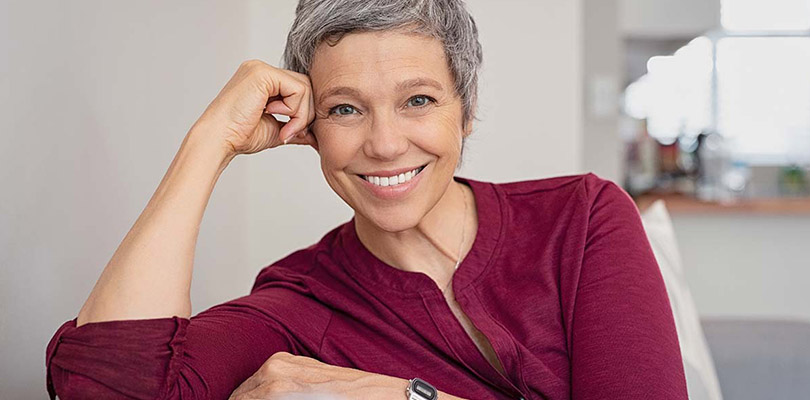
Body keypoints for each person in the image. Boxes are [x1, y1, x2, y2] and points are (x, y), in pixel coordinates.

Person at [45, 0, 688, 399]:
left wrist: (401, 398)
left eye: (418, 100)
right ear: (309, 130)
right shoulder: (300, 301)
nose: (383, 144)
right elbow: (107, 387)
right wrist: (210, 140)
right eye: (345, 109)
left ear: (465, 114)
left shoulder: (582, 218)